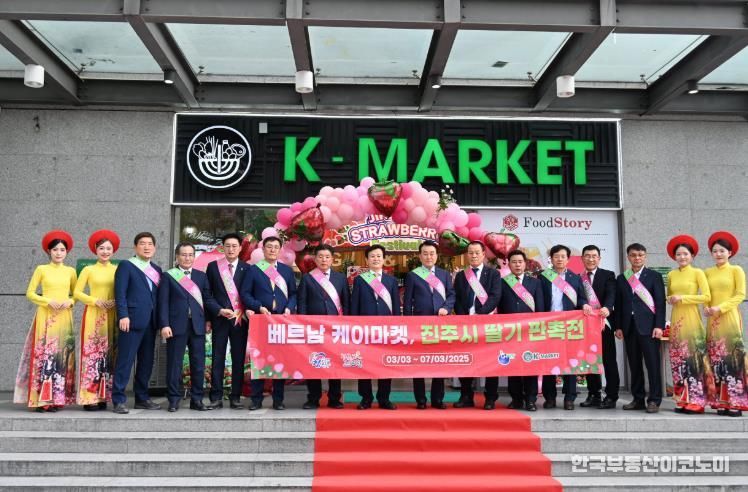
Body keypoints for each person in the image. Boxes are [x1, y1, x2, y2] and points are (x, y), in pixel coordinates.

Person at [14, 230, 77, 412]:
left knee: (60, 357)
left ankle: (57, 398)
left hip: (64, 316)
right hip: (46, 316)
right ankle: (41, 400)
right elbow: (30, 293)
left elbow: (76, 294)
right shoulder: (41, 269)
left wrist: (70, 301)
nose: (59, 253)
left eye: (62, 250)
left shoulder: (71, 271)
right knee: (44, 355)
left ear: (66, 252)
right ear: (49, 251)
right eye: (55, 249)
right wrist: (47, 301)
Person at [159, 242, 217, 412]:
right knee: (174, 364)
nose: (187, 258)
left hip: (198, 325)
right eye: (184, 255)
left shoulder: (201, 276)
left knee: (198, 364)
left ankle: (197, 400)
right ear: (177, 257)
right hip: (176, 326)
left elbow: (206, 299)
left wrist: (209, 320)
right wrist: (164, 324)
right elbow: (163, 302)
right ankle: (174, 399)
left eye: (191, 254)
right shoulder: (168, 276)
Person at [240, 236, 297, 411]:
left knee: (280, 360)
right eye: (269, 247)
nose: (272, 250)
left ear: (280, 250)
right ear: (263, 250)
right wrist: (258, 306)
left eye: (276, 247)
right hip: (261, 321)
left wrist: (289, 308)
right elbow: (245, 293)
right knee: (260, 360)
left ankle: (278, 400)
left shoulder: (287, 271)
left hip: (281, 321)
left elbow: (293, 294)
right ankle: (256, 399)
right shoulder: (254, 270)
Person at [112, 232, 162, 414]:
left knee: (146, 362)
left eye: (150, 244)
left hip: (151, 322)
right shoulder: (126, 266)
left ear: (154, 248)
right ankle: (118, 399)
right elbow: (120, 293)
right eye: (142, 243)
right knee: (125, 360)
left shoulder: (156, 270)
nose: (146, 247)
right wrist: (123, 315)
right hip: (131, 320)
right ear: (135, 247)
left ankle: (142, 398)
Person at [403, 240, 455, 409]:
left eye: (431, 253)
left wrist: (447, 308)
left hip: (441, 325)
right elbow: (407, 301)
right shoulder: (413, 275)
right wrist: (408, 325)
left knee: (439, 362)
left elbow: (451, 295)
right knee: (419, 363)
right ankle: (421, 400)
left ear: (436, 256)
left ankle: (437, 399)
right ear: (420, 256)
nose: (428, 257)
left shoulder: (444, 274)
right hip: (419, 326)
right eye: (425, 253)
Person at [615, 243, 666, 413]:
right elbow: (619, 304)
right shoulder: (622, 278)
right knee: (634, 365)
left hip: (649, 328)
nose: (637, 258)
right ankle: (638, 399)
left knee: (652, 365)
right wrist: (618, 326)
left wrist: (659, 325)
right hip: (629, 328)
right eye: (633, 255)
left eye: (640, 255)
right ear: (628, 257)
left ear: (645, 256)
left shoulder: (654, 276)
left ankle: (654, 400)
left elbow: (660, 303)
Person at [539, 244, 592, 410]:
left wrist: (584, 304)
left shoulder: (575, 278)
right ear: (551, 259)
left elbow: (581, 298)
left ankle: (569, 397)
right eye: (556, 256)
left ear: (568, 259)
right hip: (548, 325)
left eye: (563, 256)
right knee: (549, 361)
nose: (559, 259)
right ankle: (550, 397)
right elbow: (539, 299)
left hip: (569, 325)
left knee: (570, 361)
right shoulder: (543, 277)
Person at [665, 235, 713, 414]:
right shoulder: (671, 274)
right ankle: (682, 400)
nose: (682, 257)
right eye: (678, 254)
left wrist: (683, 298)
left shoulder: (698, 273)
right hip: (676, 319)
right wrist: (670, 298)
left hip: (692, 319)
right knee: (678, 360)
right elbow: (669, 296)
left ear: (692, 256)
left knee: (694, 360)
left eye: (685, 254)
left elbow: (706, 296)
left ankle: (697, 402)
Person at [298, 244, 350, 409]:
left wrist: (346, 325)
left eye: (327, 257)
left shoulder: (340, 278)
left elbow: (346, 303)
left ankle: (334, 398)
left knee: (335, 363)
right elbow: (302, 303)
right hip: (314, 329)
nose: (324, 260)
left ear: (332, 259)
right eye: (320, 257)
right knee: (313, 361)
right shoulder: (307, 278)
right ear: (315, 259)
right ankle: (313, 398)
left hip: (336, 329)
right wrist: (303, 325)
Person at [73, 229, 120, 411]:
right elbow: (77, 292)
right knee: (92, 353)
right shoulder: (88, 269)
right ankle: (89, 397)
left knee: (110, 354)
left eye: (108, 248)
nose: (105, 252)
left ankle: (104, 396)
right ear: (95, 250)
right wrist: (95, 301)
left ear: (113, 251)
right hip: (94, 314)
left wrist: (116, 301)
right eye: (101, 248)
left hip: (112, 313)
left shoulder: (117, 269)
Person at [452, 241, 501, 409]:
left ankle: (490, 398)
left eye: (477, 252)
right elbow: (457, 298)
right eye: (470, 253)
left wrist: (480, 315)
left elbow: (495, 296)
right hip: (466, 326)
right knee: (466, 360)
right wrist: (463, 317)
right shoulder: (461, 276)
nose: (473, 255)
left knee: (490, 362)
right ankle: (466, 395)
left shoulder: (493, 274)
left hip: (487, 324)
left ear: (483, 254)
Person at [703, 231, 747, 417]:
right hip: (712, 321)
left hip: (729, 318)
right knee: (716, 360)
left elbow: (740, 295)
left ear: (730, 253)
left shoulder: (736, 270)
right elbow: (706, 295)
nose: (718, 254)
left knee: (733, 360)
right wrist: (706, 308)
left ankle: (735, 403)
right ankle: (721, 402)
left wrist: (720, 308)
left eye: (722, 251)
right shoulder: (707, 272)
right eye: (715, 251)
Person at [205, 233, 250, 409]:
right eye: (227, 246)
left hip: (240, 320)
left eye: (234, 246)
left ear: (240, 248)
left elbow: (249, 294)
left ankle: (235, 396)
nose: (231, 249)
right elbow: (207, 294)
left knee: (238, 359)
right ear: (222, 248)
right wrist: (216, 311)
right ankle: (216, 397)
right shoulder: (213, 267)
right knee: (218, 357)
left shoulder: (247, 268)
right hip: (220, 319)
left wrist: (245, 310)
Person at [353, 245, 400, 410]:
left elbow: (396, 306)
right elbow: (355, 305)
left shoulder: (391, 281)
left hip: (387, 331)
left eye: (379, 256)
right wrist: (354, 327)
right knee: (364, 365)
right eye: (372, 256)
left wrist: (397, 328)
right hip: (365, 331)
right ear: (367, 260)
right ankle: (366, 398)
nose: (376, 259)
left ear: (384, 259)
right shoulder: (360, 280)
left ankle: (384, 398)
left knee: (385, 364)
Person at [502, 250, 545, 411]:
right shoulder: (503, 283)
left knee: (530, 365)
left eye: (520, 262)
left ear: (525, 263)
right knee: (512, 366)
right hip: (510, 332)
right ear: (509, 264)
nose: (517, 265)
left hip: (530, 332)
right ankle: (516, 399)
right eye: (514, 262)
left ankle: (531, 400)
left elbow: (540, 307)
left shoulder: (535, 283)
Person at [578, 245, 619, 410]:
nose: (591, 259)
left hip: (604, 323)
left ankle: (611, 396)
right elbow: (578, 297)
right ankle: (594, 394)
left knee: (609, 361)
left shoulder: (608, 275)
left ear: (599, 258)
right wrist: (583, 303)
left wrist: (607, 307)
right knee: (590, 360)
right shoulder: (578, 278)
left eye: (594, 256)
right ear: (582, 258)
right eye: (587, 256)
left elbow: (612, 294)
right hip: (586, 325)